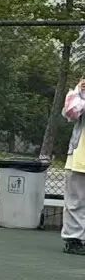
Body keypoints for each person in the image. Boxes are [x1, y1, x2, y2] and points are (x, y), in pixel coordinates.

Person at [60, 77, 85, 255]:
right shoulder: (78, 93)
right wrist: (80, 92)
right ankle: (73, 239)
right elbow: (70, 112)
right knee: (75, 201)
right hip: (79, 157)